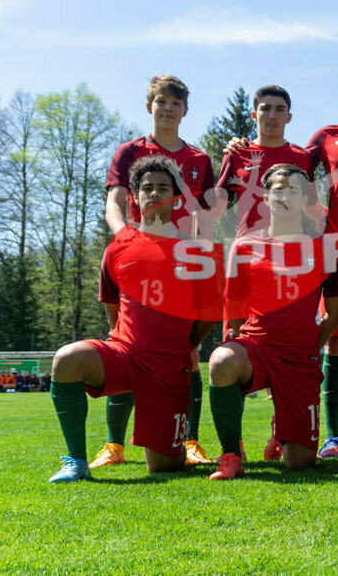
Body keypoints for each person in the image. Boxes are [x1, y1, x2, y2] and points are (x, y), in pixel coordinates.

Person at [227, 65, 338, 459]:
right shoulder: (325, 136)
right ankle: (332, 436)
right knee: (337, 338)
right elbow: (288, 171)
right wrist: (243, 145)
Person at [48, 155, 219, 482]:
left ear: (177, 198)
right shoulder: (118, 246)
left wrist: (182, 348)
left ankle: (172, 440)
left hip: (169, 365)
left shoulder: (197, 251)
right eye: (147, 188)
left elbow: (209, 315)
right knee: (67, 359)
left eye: (163, 188)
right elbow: (112, 307)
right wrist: (124, 340)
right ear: (135, 198)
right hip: (125, 355)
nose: (154, 194)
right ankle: (76, 461)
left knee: (165, 467)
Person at [96, 74, 216, 468]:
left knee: (189, 353)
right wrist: (124, 239)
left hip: (181, 266)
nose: (168, 109)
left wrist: (204, 256)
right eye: (161, 101)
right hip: (139, 261)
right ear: (149, 106)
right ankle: (114, 445)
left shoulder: (199, 160)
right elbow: (114, 203)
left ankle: (190, 440)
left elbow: (205, 216)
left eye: (175, 103)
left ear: (185, 111)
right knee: (124, 344)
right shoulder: (130, 151)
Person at [207, 164, 338, 479]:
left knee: (300, 463)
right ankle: (231, 455)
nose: (285, 197)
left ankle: (280, 430)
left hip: (299, 357)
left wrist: (312, 347)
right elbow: (235, 307)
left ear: (305, 199)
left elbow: (334, 314)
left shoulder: (325, 247)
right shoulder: (244, 246)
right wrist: (245, 342)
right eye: (278, 190)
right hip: (258, 348)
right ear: (266, 197)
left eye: (294, 190)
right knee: (221, 360)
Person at [215, 84, 326, 239]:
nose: (272, 115)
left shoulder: (303, 157)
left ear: (288, 117)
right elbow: (214, 209)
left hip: (291, 247)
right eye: (265, 109)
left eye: (279, 109)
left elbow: (312, 208)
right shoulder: (236, 154)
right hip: (248, 248)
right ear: (254, 115)